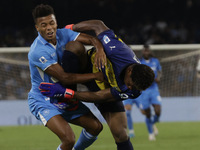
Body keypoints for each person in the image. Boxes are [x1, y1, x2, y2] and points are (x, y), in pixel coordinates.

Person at [39, 20, 155, 150]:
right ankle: (68, 101)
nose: (130, 88)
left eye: (134, 88)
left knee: (120, 134)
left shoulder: (134, 90)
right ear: (130, 71)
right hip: (87, 64)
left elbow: (100, 96)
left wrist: (70, 93)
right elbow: (98, 25)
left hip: (104, 86)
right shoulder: (117, 50)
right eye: (130, 84)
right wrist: (71, 28)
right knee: (74, 46)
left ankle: (69, 98)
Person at [28, 5, 108, 150]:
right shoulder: (37, 51)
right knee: (68, 139)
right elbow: (65, 78)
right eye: (43, 25)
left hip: (63, 95)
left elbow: (90, 39)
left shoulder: (63, 34)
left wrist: (100, 48)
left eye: (51, 23)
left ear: (56, 22)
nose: (49, 28)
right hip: (44, 99)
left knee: (96, 127)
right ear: (37, 28)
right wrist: (96, 76)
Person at [123, 44, 162, 141]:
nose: (146, 52)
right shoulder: (139, 62)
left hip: (154, 89)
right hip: (143, 90)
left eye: (148, 50)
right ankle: (150, 134)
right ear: (142, 52)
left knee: (158, 110)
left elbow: (160, 71)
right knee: (146, 113)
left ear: (150, 51)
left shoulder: (155, 61)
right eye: (145, 51)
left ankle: (153, 122)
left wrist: (159, 78)